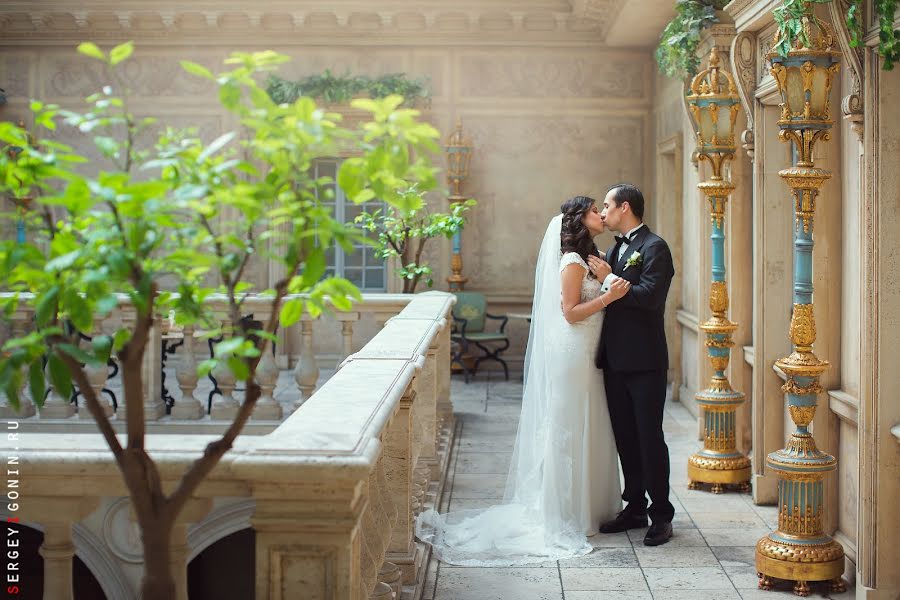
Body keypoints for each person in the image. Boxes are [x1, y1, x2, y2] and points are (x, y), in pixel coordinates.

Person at [415, 196, 631, 566]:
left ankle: (588, 508)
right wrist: (609, 296)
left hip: (588, 353)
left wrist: (606, 278)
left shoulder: (589, 259)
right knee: (569, 426)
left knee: (588, 422)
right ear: (580, 220)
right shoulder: (571, 261)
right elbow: (570, 313)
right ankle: (563, 513)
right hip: (573, 352)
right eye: (595, 210)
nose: (601, 215)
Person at [589, 183, 676, 547]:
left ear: (625, 208)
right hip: (615, 359)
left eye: (607, 206)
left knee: (649, 438)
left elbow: (648, 299)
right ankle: (635, 507)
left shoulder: (655, 248)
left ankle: (661, 516)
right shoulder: (614, 247)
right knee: (625, 436)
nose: (604, 212)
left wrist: (608, 278)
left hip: (645, 361)